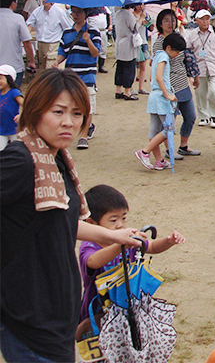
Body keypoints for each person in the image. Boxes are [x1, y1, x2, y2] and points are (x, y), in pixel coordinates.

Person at [0, 68, 141, 363]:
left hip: (57, 310)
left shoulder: (56, 159)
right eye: (58, 111)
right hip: (27, 314)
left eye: (77, 114)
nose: (69, 122)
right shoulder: (21, 160)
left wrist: (113, 235)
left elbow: (60, 221)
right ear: (35, 111)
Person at [78, 184, 185, 324]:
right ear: (91, 223)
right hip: (98, 312)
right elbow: (92, 262)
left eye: (123, 218)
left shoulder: (128, 238)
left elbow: (152, 247)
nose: (120, 225)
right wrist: (120, 245)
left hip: (127, 307)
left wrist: (168, 241)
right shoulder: (89, 245)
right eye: (113, 220)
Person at [152, 8, 201, 159]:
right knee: (169, 121)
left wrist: (193, 74)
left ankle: (183, 146)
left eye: (172, 20)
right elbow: (159, 67)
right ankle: (169, 149)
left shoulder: (179, 38)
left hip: (183, 83)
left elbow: (186, 59)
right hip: (170, 86)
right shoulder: (159, 43)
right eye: (166, 20)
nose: (170, 23)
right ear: (160, 24)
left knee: (190, 117)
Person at [135, 32, 186, 171]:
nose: (177, 54)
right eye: (176, 51)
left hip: (154, 97)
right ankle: (144, 152)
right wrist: (167, 94)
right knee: (170, 129)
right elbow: (159, 77)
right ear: (169, 47)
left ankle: (159, 160)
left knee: (154, 131)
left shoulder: (157, 55)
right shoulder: (164, 57)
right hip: (161, 97)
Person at [57, 6, 101, 150]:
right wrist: (56, 62)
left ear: (86, 13)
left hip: (88, 74)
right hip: (71, 75)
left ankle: (83, 136)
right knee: (70, 104)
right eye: (73, 12)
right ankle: (84, 127)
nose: (75, 15)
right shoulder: (67, 33)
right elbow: (63, 52)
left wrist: (88, 41)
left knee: (88, 106)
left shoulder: (93, 32)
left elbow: (95, 53)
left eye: (78, 12)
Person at [187, 9, 215, 129]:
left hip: (214, 66)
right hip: (199, 68)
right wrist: (190, 71)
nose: (205, 22)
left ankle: (213, 116)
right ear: (197, 20)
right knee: (200, 93)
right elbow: (188, 51)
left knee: (213, 92)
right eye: (202, 19)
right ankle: (203, 116)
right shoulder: (192, 34)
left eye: (207, 19)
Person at [26, 0, 71, 71]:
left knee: (50, 70)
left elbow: (67, 28)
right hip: (40, 44)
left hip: (53, 45)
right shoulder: (37, 11)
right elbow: (29, 25)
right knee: (41, 70)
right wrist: (25, 37)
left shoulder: (59, 12)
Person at [0, 0, 36, 86]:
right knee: (13, 92)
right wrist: (31, 61)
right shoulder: (17, 18)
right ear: (12, 4)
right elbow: (26, 43)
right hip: (14, 66)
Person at [113, 4, 141, 101]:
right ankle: (127, 92)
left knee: (120, 67)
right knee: (129, 68)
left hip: (119, 42)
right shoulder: (128, 14)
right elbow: (134, 28)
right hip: (128, 43)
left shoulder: (117, 13)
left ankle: (118, 90)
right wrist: (141, 20)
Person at [0, 65, 23, 150]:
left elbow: (26, 105)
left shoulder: (14, 92)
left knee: (16, 149)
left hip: (14, 128)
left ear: (9, 79)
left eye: (0, 78)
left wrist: (21, 115)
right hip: (2, 129)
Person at [134, 7, 153, 95]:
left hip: (144, 41)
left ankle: (141, 87)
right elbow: (133, 28)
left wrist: (150, 23)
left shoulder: (146, 15)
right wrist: (140, 19)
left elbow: (150, 28)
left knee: (143, 66)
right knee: (133, 65)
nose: (141, 6)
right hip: (135, 42)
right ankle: (130, 87)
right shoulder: (132, 15)